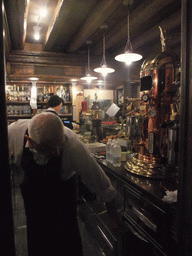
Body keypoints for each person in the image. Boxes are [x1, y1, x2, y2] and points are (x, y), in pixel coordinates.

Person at [8, 112, 122, 256]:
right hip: (34, 207)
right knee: (38, 243)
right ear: (29, 140)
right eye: (50, 149)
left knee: (68, 245)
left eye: (59, 147)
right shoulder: (12, 134)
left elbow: (99, 180)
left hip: (63, 205)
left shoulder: (71, 144)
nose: (57, 153)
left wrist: (114, 216)